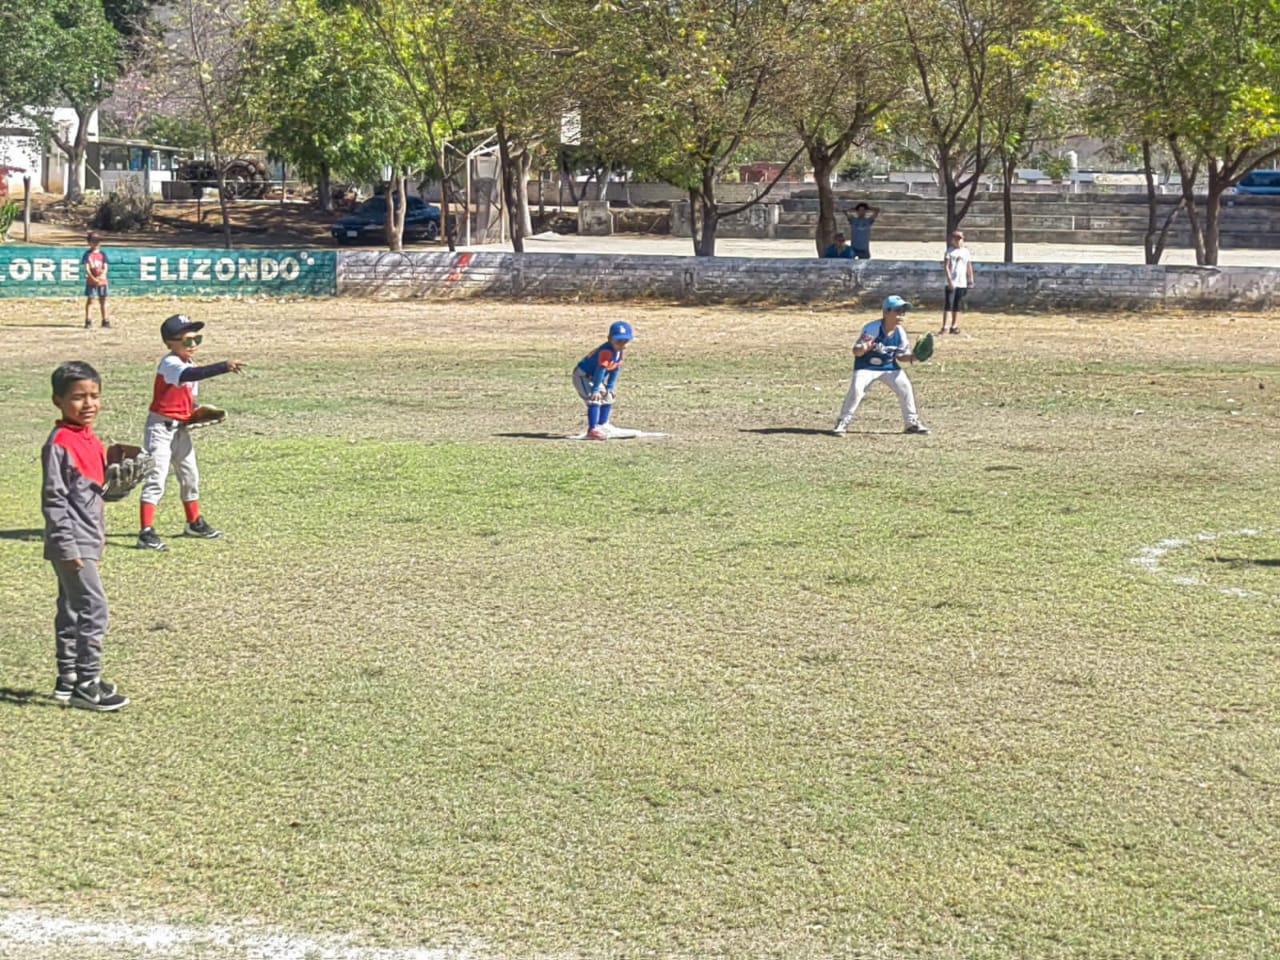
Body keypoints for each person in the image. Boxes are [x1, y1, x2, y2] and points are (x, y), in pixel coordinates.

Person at [42, 361, 130, 710]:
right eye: (78, 397)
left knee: (72, 609)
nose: (88, 404)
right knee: (94, 608)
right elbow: (54, 499)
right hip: (72, 542)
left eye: (94, 396)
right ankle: (88, 683)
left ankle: (69, 679)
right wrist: (66, 545)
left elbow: (94, 490)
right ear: (58, 401)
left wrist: (117, 488)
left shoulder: (90, 439)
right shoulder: (60, 443)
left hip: (87, 538)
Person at [137, 314, 245, 551]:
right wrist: (223, 367)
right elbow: (189, 377)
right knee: (156, 478)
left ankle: (193, 522)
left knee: (190, 476)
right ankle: (145, 532)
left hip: (180, 431)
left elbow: (188, 396)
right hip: (160, 429)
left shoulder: (189, 364)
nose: (193, 345)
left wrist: (196, 413)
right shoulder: (170, 363)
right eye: (187, 341)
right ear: (170, 343)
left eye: (197, 339)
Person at [833, 295, 930, 436]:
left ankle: (912, 423)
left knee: (906, 388)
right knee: (857, 390)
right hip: (866, 366)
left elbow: (901, 356)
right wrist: (864, 347)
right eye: (898, 310)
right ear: (886, 312)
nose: (901, 314)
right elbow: (856, 351)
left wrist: (914, 357)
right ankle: (843, 422)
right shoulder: (872, 328)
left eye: (903, 311)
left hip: (889, 367)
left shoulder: (900, 332)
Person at [574, 321, 634, 441]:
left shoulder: (619, 352)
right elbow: (600, 371)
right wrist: (596, 389)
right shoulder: (606, 351)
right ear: (609, 339)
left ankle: (603, 424)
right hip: (583, 376)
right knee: (594, 398)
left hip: (595, 378)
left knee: (608, 397)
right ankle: (592, 429)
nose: (621, 344)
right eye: (618, 341)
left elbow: (615, 369)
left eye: (625, 341)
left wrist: (610, 387)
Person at [941, 229, 975, 334]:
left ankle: (954, 326)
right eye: (956, 238)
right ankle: (945, 326)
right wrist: (950, 280)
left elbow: (969, 266)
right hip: (952, 282)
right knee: (948, 304)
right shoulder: (949, 251)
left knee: (957, 304)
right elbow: (946, 266)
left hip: (962, 282)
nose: (958, 241)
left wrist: (971, 279)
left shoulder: (966, 252)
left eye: (960, 239)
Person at [82, 232, 110, 330]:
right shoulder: (87, 254)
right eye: (93, 241)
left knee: (103, 300)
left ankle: (105, 320)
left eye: (98, 241)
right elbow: (87, 268)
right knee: (91, 300)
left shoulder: (102, 254)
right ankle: (88, 320)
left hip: (102, 281)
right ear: (89, 242)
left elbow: (106, 267)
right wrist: (93, 278)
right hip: (91, 281)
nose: (96, 244)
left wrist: (102, 276)